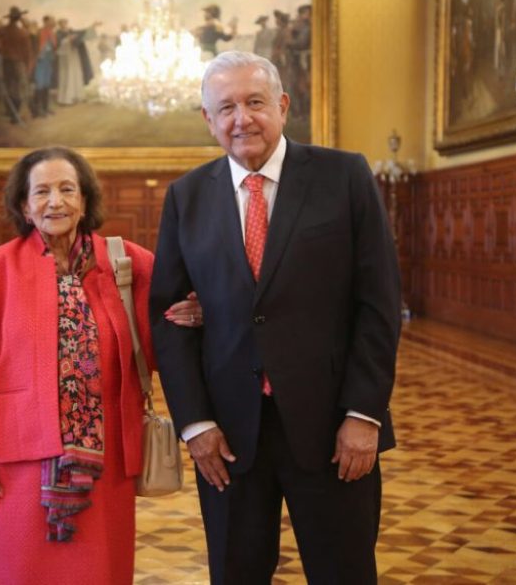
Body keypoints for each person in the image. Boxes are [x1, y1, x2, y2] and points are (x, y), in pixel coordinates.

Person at [149, 51, 401, 584]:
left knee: (345, 573)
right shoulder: (186, 197)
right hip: (227, 437)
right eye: (226, 108)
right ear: (208, 119)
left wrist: (364, 414)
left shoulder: (344, 176)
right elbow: (168, 319)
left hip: (334, 428)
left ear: (283, 106)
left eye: (255, 102)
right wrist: (195, 424)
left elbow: (378, 304)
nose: (242, 119)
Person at [0, 146, 202, 584]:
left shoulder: (126, 263)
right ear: (24, 206)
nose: (56, 201)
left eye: (68, 189)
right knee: (15, 569)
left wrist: (197, 314)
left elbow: (169, 330)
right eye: (42, 192)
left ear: (84, 202)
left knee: (96, 570)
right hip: (19, 456)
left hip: (108, 457)